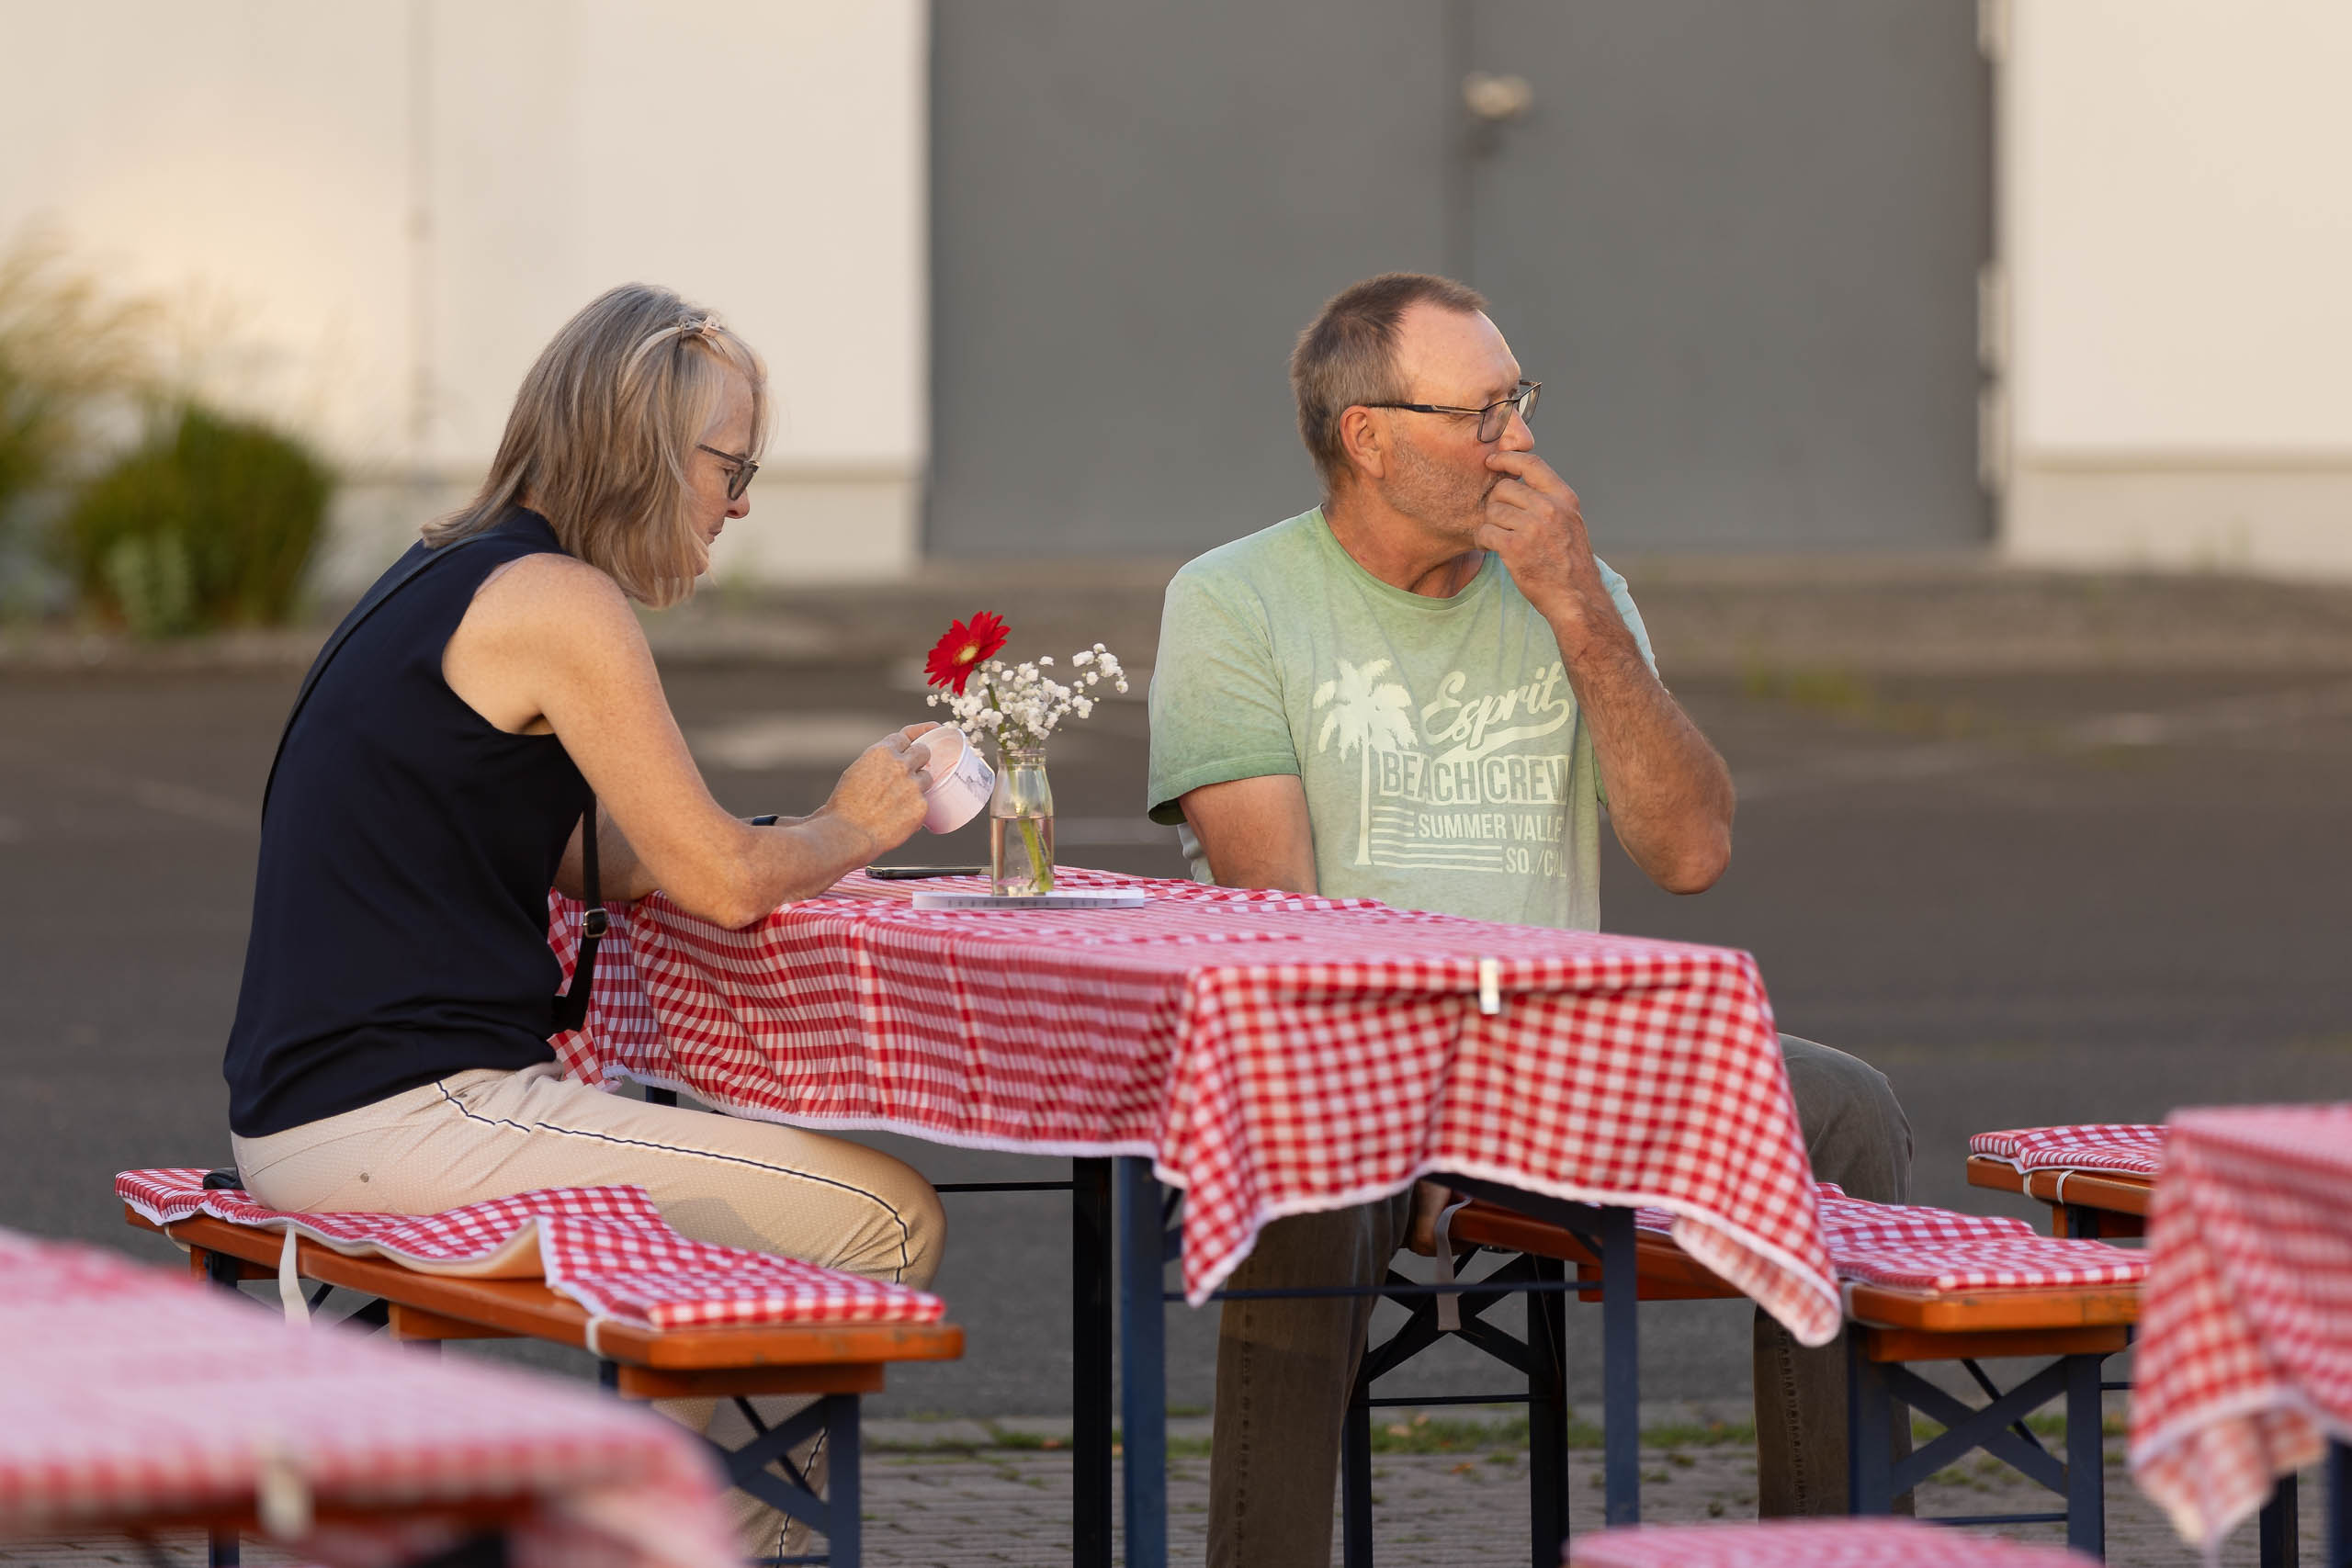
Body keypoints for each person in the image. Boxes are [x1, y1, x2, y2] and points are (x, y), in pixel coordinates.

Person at [1147, 272, 1915, 1564]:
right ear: (1369, 438)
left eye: (1521, 402)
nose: (1521, 442)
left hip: (1570, 1064)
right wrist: (1433, 1109)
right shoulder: (1237, 598)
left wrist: (1579, 613)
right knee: (1309, 1175)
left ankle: (1830, 1545)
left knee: (1843, 1110)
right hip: (1351, 1060)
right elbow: (1279, 917)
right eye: (1483, 414)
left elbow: (1691, 852)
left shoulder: (1578, 590)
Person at [221, 283, 946, 1559]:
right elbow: (720, 885)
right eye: (733, 466)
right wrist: (852, 825)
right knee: (883, 1219)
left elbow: (583, 860)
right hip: (401, 1117)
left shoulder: (450, 571)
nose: (740, 504)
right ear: (646, 450)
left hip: (323, 1105)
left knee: (784, 1214)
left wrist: (752, 843)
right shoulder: (559, 601)